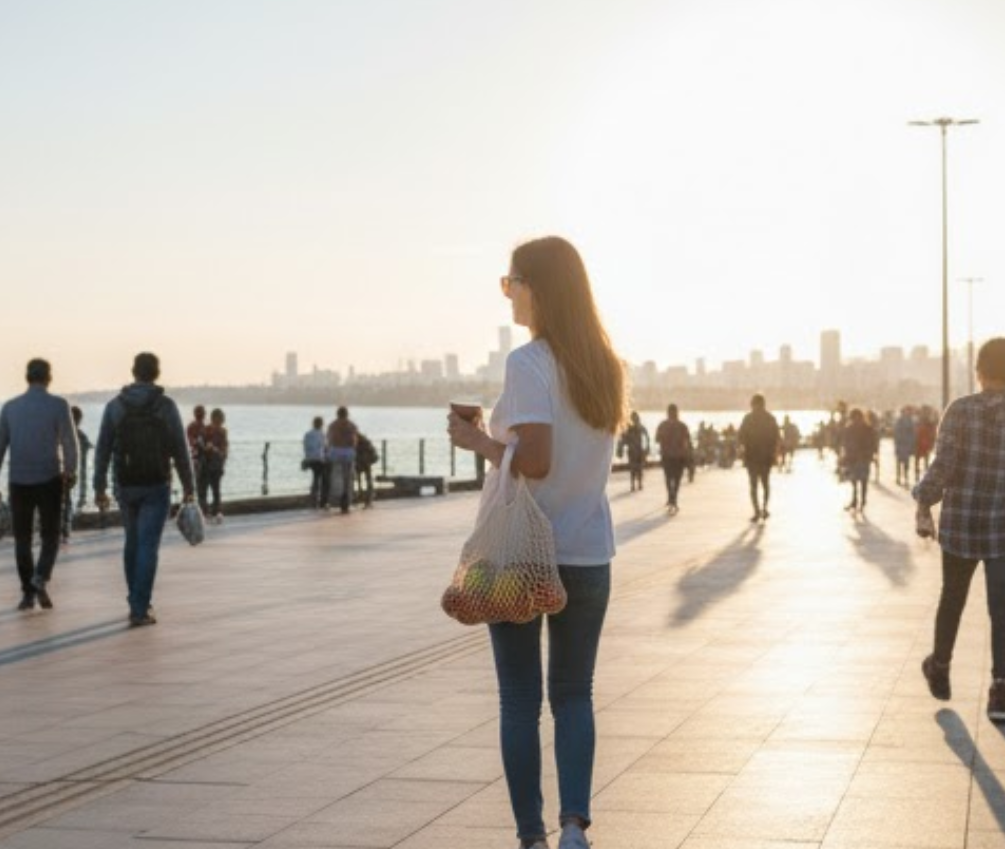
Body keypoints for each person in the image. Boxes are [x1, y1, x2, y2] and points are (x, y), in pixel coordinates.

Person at [447, 236, 625, 849]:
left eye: (511, 282)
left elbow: (538, 461)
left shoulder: (527, 364)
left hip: (524, 552)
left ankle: (532, 837)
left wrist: (478, 444)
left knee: (521, 701)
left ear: (538, 288)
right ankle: (574, 825)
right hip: (589, 549)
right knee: (574, 694)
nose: (507, 294)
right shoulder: (606, 365)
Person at [914, 338, 1005, 722]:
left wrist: (923, 503)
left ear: (979, 370)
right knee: (1002, 610)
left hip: (961, 526)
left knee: (952, 598)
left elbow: (944, 465)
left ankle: (941, 667)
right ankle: (1000, 689)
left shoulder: (960, 410)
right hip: (1003, 529)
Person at [93, 352, 195, 627]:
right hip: (157, 485)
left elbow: (102, 449)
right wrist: (189, 486)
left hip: (125, 485)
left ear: (134, 371)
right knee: (148, 545)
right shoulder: (166, 406)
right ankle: (140, 607)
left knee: (132, 541)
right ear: (156, 373)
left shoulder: (115, 406)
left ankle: (136, 600)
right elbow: (180, 450)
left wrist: (99, 486)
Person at [0, 359, 78, 611]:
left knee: (22, 539)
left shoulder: (10, 407)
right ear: (48, 377)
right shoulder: (58, 405)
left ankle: (28, 593)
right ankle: (39, 578)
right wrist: (71, 470)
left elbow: (0, 446)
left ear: (27, 377)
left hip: (18, 480)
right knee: (50, 536)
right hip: (49, 479)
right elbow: (69, 441)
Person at [738, 393, 780, 522]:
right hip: (764, 457)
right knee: (764, 484)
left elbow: (740, 437)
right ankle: (763, 508)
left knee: (754, 485)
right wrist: (774, 454)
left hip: (753, 457)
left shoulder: (748, 418)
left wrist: (742, 451)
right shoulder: (770, 418)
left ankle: (758, 510)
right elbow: (776, 438)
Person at [61, 405, 93, 544]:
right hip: (71, 473)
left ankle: (63, 528)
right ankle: (66, 528)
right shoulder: (79, 434)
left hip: (59, 473)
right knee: (68, 499)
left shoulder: (60, 431)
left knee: (63, 500)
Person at [654, 404, 691, 514]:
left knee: (668, 478)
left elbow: (656, 439)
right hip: (679, 457)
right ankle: (673, 498)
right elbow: (688, 441)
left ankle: (671, 497)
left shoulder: (663, 425)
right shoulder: (682, 426)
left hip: (667, 456)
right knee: (677, 479)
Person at [841, 408, 877, 514]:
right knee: (855, 481)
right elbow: (845, 444)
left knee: (862, 481)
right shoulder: (850, 429)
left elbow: (873, 443)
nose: (856, 420)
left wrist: (871, 454)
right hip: (855, 459)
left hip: (862, 458)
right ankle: (856, 501)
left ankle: (861, 501)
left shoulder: (867, 429)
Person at [326, 406, 358, 514]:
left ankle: (334, 500)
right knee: (347, 478)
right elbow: (354, 441)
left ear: (337, 414)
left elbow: (329, 439)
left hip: (335, 452)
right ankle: (346, 500)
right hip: (348, 452)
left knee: (335, 476)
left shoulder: (332, 425)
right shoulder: (352, 425)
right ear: (347, 414)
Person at [201, 408, 228, 523]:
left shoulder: (223, 432)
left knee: (216, 489)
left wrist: (216, 450)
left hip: (216, 465)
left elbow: (224, 451)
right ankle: (206, 512)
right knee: (204, 489)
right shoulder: (206, 430)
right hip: (206, 464)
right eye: (217, 421)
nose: (219, 424)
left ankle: (216, 512)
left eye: (220, 422)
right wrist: (206, 448)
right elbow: (201, 445)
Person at [617, 411, 650, 492]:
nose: (635, 420)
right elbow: (622, 440)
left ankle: (638, 483)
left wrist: (647, 449)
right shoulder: (628, 429)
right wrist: (620, 449)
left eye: (635, 418)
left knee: (638, 468)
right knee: (634, 468)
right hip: (633, 451)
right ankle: (634, 484)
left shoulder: (639, 428)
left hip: (638, 451)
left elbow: (647, 438)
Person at [303, 416, 329, 510]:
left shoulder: (308, 434)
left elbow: (305, 447)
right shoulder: (322, 434)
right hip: (319, 459)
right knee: (325, 480)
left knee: (315, 478)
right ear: (321, 424)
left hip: (310, 459)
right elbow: (325, 447)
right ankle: (322, 502)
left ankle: (313, 500)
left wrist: (307, 458)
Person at [186, 405, 207, 505]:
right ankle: (196, 505)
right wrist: (196, 442)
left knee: (201, 484)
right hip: (196, 458)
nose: (202, 415)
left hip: (202, 457)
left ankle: (201, 505)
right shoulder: (193, 427)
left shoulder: (204, 427)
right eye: (201, 413)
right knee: (197, 483)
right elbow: (189, 441)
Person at [893, 406, 916, 487]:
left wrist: (912, 445)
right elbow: (896, 433)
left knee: (906, 463)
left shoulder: (911, 421)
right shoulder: (899, 421)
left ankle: (905, 478)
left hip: (906, 445)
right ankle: (898, 477)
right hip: (901, 444)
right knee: (899, 462)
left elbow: (913, 434)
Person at [354, 432, 378, 508]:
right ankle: (368, 499)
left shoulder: (357, 441)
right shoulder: (365, 441)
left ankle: (363, 497)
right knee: (367, 480)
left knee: (361, 480)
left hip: (362, 462)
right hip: (365, 462)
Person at [915, 407, 937, 483]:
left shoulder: (923, 420)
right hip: (920, 443)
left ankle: (920, 476)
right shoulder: (924, 420)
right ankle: (920, 476)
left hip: (923, 443)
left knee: (922, 461)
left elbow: (932, 433)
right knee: (922, 461)